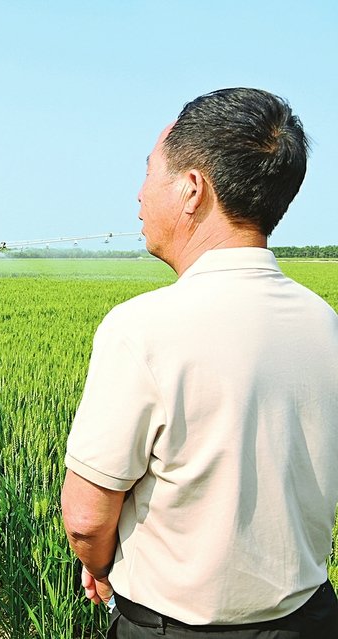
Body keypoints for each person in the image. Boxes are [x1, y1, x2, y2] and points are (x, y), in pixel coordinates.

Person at [61, 88, 338, 637]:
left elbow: (87, 519)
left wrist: (99, 568)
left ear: (192, 190)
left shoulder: (140, 329)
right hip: (310, 620)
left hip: (175, 627)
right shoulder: (325, 323)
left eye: (149, 173)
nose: (140, 196)